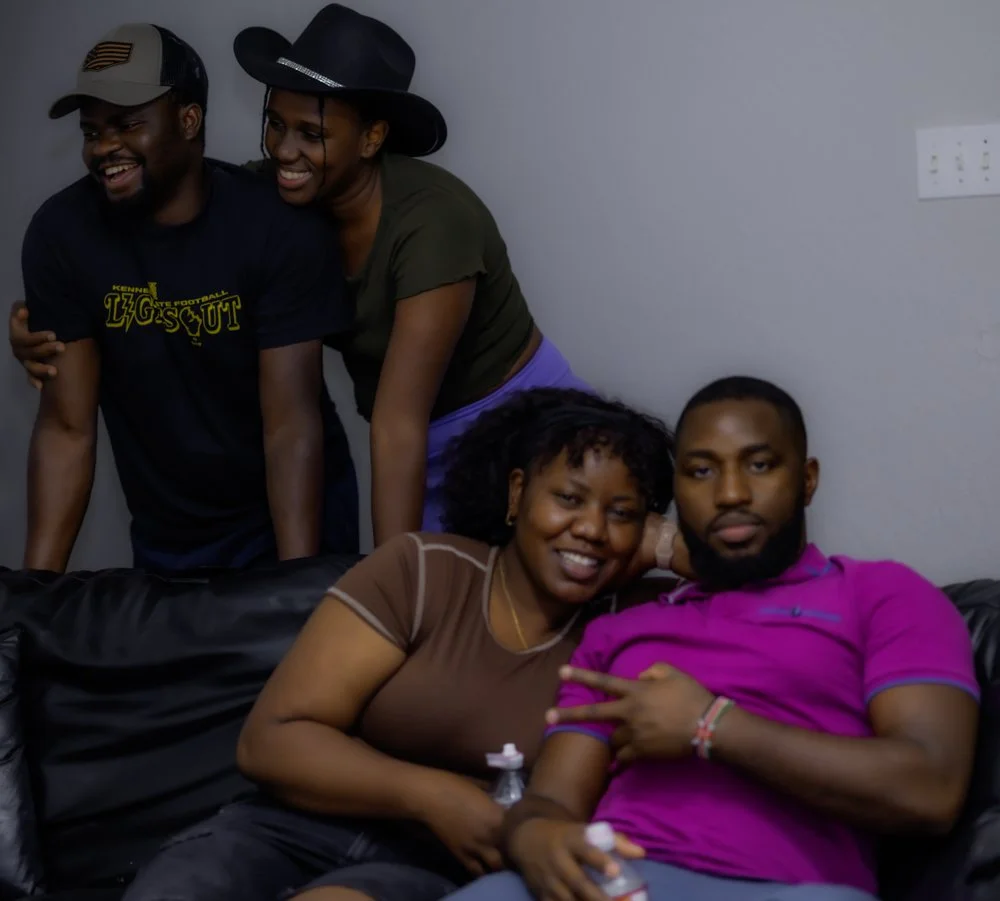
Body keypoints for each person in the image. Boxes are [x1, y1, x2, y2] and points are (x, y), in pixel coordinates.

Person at [10, 3, 592, 546]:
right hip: (417, 443)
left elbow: (396, 423)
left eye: (311, 134)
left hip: (518, 425)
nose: (284, 151)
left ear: (372, 137)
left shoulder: (434, 224)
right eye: (275, 124)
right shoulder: (273, 200)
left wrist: (384, 595)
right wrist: (42, 327)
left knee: (513, 612)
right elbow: (189, 236)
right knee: (452, 625)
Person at [118, 387, 682, 901]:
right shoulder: (426, 572)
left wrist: (667, 544)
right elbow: (271, 740)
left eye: (621, 513)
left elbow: (761, 576)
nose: (591, 528)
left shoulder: (628, 625)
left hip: (434, 870)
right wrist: (435, 796)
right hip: (286, 830)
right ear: (517, 493)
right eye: (569, 497)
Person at [445, 376, 981, 901]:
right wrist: (533, 833)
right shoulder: (621, 632)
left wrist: (711, 725)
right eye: (701, 472)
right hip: (616, 881)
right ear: (677, 494)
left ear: (808, 478)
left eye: (760, 465)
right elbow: (553, 802)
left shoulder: (882, 595)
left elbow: (930, 788)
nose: (729, 493)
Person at [17, 23, 359, 574]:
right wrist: (30, 601)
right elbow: (66, 427)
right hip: (167, 527)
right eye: (92, 130)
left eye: (128, 124)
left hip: (289, 515)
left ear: (188, 120)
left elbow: (289, 427)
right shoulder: (62, 235)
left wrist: (293, 588)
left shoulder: (275, 229)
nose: (105, 147)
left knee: (297, 655)